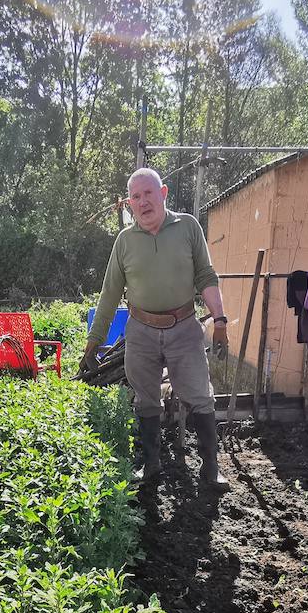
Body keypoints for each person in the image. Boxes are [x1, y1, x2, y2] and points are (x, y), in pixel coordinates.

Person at [82, 167, 230, 492]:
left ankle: (211, 468)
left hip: (184, 329)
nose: (143, 201)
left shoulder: (188, 227)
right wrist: (93, 342)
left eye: (148, 193)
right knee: (146, 401)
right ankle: (151, 464)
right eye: (135, 197)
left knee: (200, 397)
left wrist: (219, 320)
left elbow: (205, 275)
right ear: (129, 204)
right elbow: (109, 293)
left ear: (163, 193)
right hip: (141, 331)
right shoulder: (124, 242)